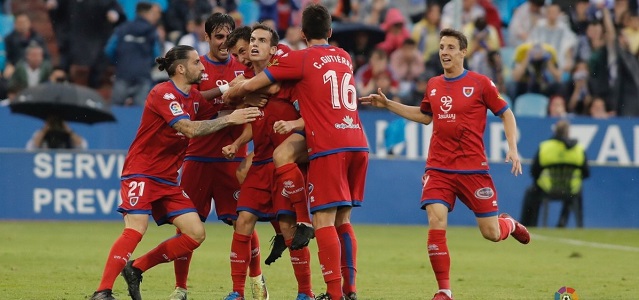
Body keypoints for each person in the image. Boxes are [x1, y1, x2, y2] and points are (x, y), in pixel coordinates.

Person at [359, 28, 530, 300]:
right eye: (441, 47)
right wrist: (389, 104)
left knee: (491, 233)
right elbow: (425, 116)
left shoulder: (481, 83)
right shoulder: (434, 84)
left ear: (464, 52)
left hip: (473, 169)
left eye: (451, 47)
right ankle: (444, 291)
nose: (444, 52)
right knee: (436, 219)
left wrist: (513, 148)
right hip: (439, 167)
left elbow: (506, 113)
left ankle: (507, 223)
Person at [89, 45, 260, 300]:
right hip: (142, 172)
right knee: (136, 228)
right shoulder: (163, 93)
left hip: (168, 179)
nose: (202, 67)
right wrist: (229, 119)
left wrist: (237, 90)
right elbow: (188, 128)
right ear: (180, 68)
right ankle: (102, 291)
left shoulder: (193, 98)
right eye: (196, 63)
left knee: (195, 233)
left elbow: (215, 104)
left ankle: (136, 268)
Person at [224, 4, 369, 300]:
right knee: (343, 220)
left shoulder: (298, 59)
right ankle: (349, 290)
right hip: (357, 139)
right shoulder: (343, 56)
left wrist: (238, 90)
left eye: (261, 41)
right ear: (329, 32)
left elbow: (265, 85)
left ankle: (330, 291)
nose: (252, 47)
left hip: (328, 143)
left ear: (301, 35)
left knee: (323, 221)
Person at [168, 14, 271, 300]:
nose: (225, 43)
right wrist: (229, 94)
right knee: (185, 227)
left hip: (232, 159)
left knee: (244, 222)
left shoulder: (243, 65)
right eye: (219, 37)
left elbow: (257, 105)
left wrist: (245, 100)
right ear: (208, 38)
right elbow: (192, 108)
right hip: (198, 157)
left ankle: (256, 279)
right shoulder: (195, 67)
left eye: (228, 36)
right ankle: (180, 287)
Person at [221, 23, 314, 300]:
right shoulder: (249, 81)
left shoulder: (287, 79)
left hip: (285, 163)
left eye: (261, 40)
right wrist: (238, 142)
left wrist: (294, 125)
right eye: (252, 40)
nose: (253, 45)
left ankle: (305, 293)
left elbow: (311, 116)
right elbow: (239, 103)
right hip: (261, 161)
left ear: (273, 49)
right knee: (243, 220)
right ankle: (237, 292)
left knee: (288, 228)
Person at [520, 119, 589, 228]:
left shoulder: (545, 147)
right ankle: (566, 221)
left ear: (555, 131)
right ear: (568, 133)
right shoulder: (578, 149)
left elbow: (534, 171)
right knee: (576, 192)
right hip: (570, 189)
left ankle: (529, 224)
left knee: (531, 192)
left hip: (547, 189)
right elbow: (586, 173)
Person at [105, 2, 163, 106]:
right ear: (147, 13)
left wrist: (118, 63)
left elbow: (109, 50)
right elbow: (157, 55)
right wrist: (147, 65)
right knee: (140, 112)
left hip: (123, 73)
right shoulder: (152, 32)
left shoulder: (122, 29)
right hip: (143, 75)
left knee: (116, 109)